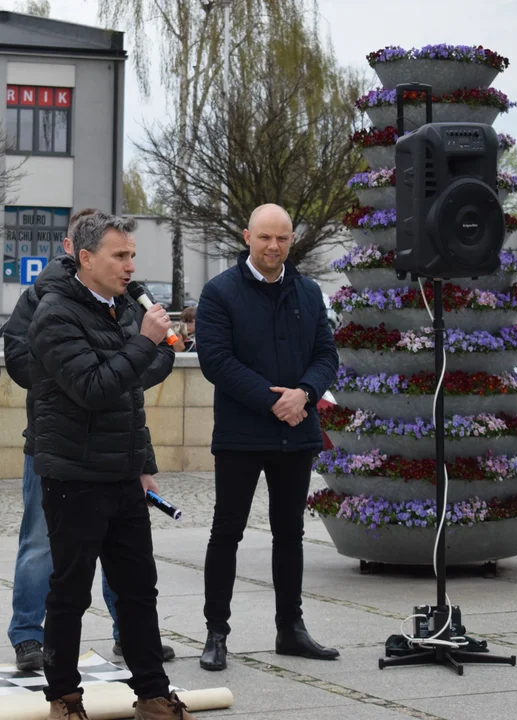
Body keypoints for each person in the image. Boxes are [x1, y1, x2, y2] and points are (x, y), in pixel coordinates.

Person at [27, 211, 196, 720]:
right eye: (119, 256)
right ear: (85, 258)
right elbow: (96, 389)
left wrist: (143, 464)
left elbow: (129, 398)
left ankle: (152, 693)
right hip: (74, 478)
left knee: (138, 589)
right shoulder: (54, 314)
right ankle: (63, 696)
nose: (129, 266)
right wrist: (145, 341)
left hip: (123, 476)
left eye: (132, 256)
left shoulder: (122, 308)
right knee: (70, 593)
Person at [195, 203, 340, 672]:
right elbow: (216, 360)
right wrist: (272, 400)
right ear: (246, 237)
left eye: (281, 238)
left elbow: (326, 354)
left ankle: (290, 629)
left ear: (290, 241)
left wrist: (306, 393)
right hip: (241, 434)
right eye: (264, 238)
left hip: (297, 434)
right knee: (227, 532)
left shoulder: (309, 291)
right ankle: (216, 633)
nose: (273, 246)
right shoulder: (220, 293)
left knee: (289, 535)